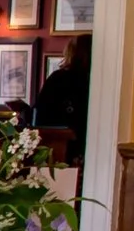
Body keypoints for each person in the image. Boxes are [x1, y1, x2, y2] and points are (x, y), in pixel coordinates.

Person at [32, 33, 91, 167]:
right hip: (88, 147)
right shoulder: (98, 81)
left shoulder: (59, 78)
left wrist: (24, 112)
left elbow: (41, 113)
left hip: (59, 149)